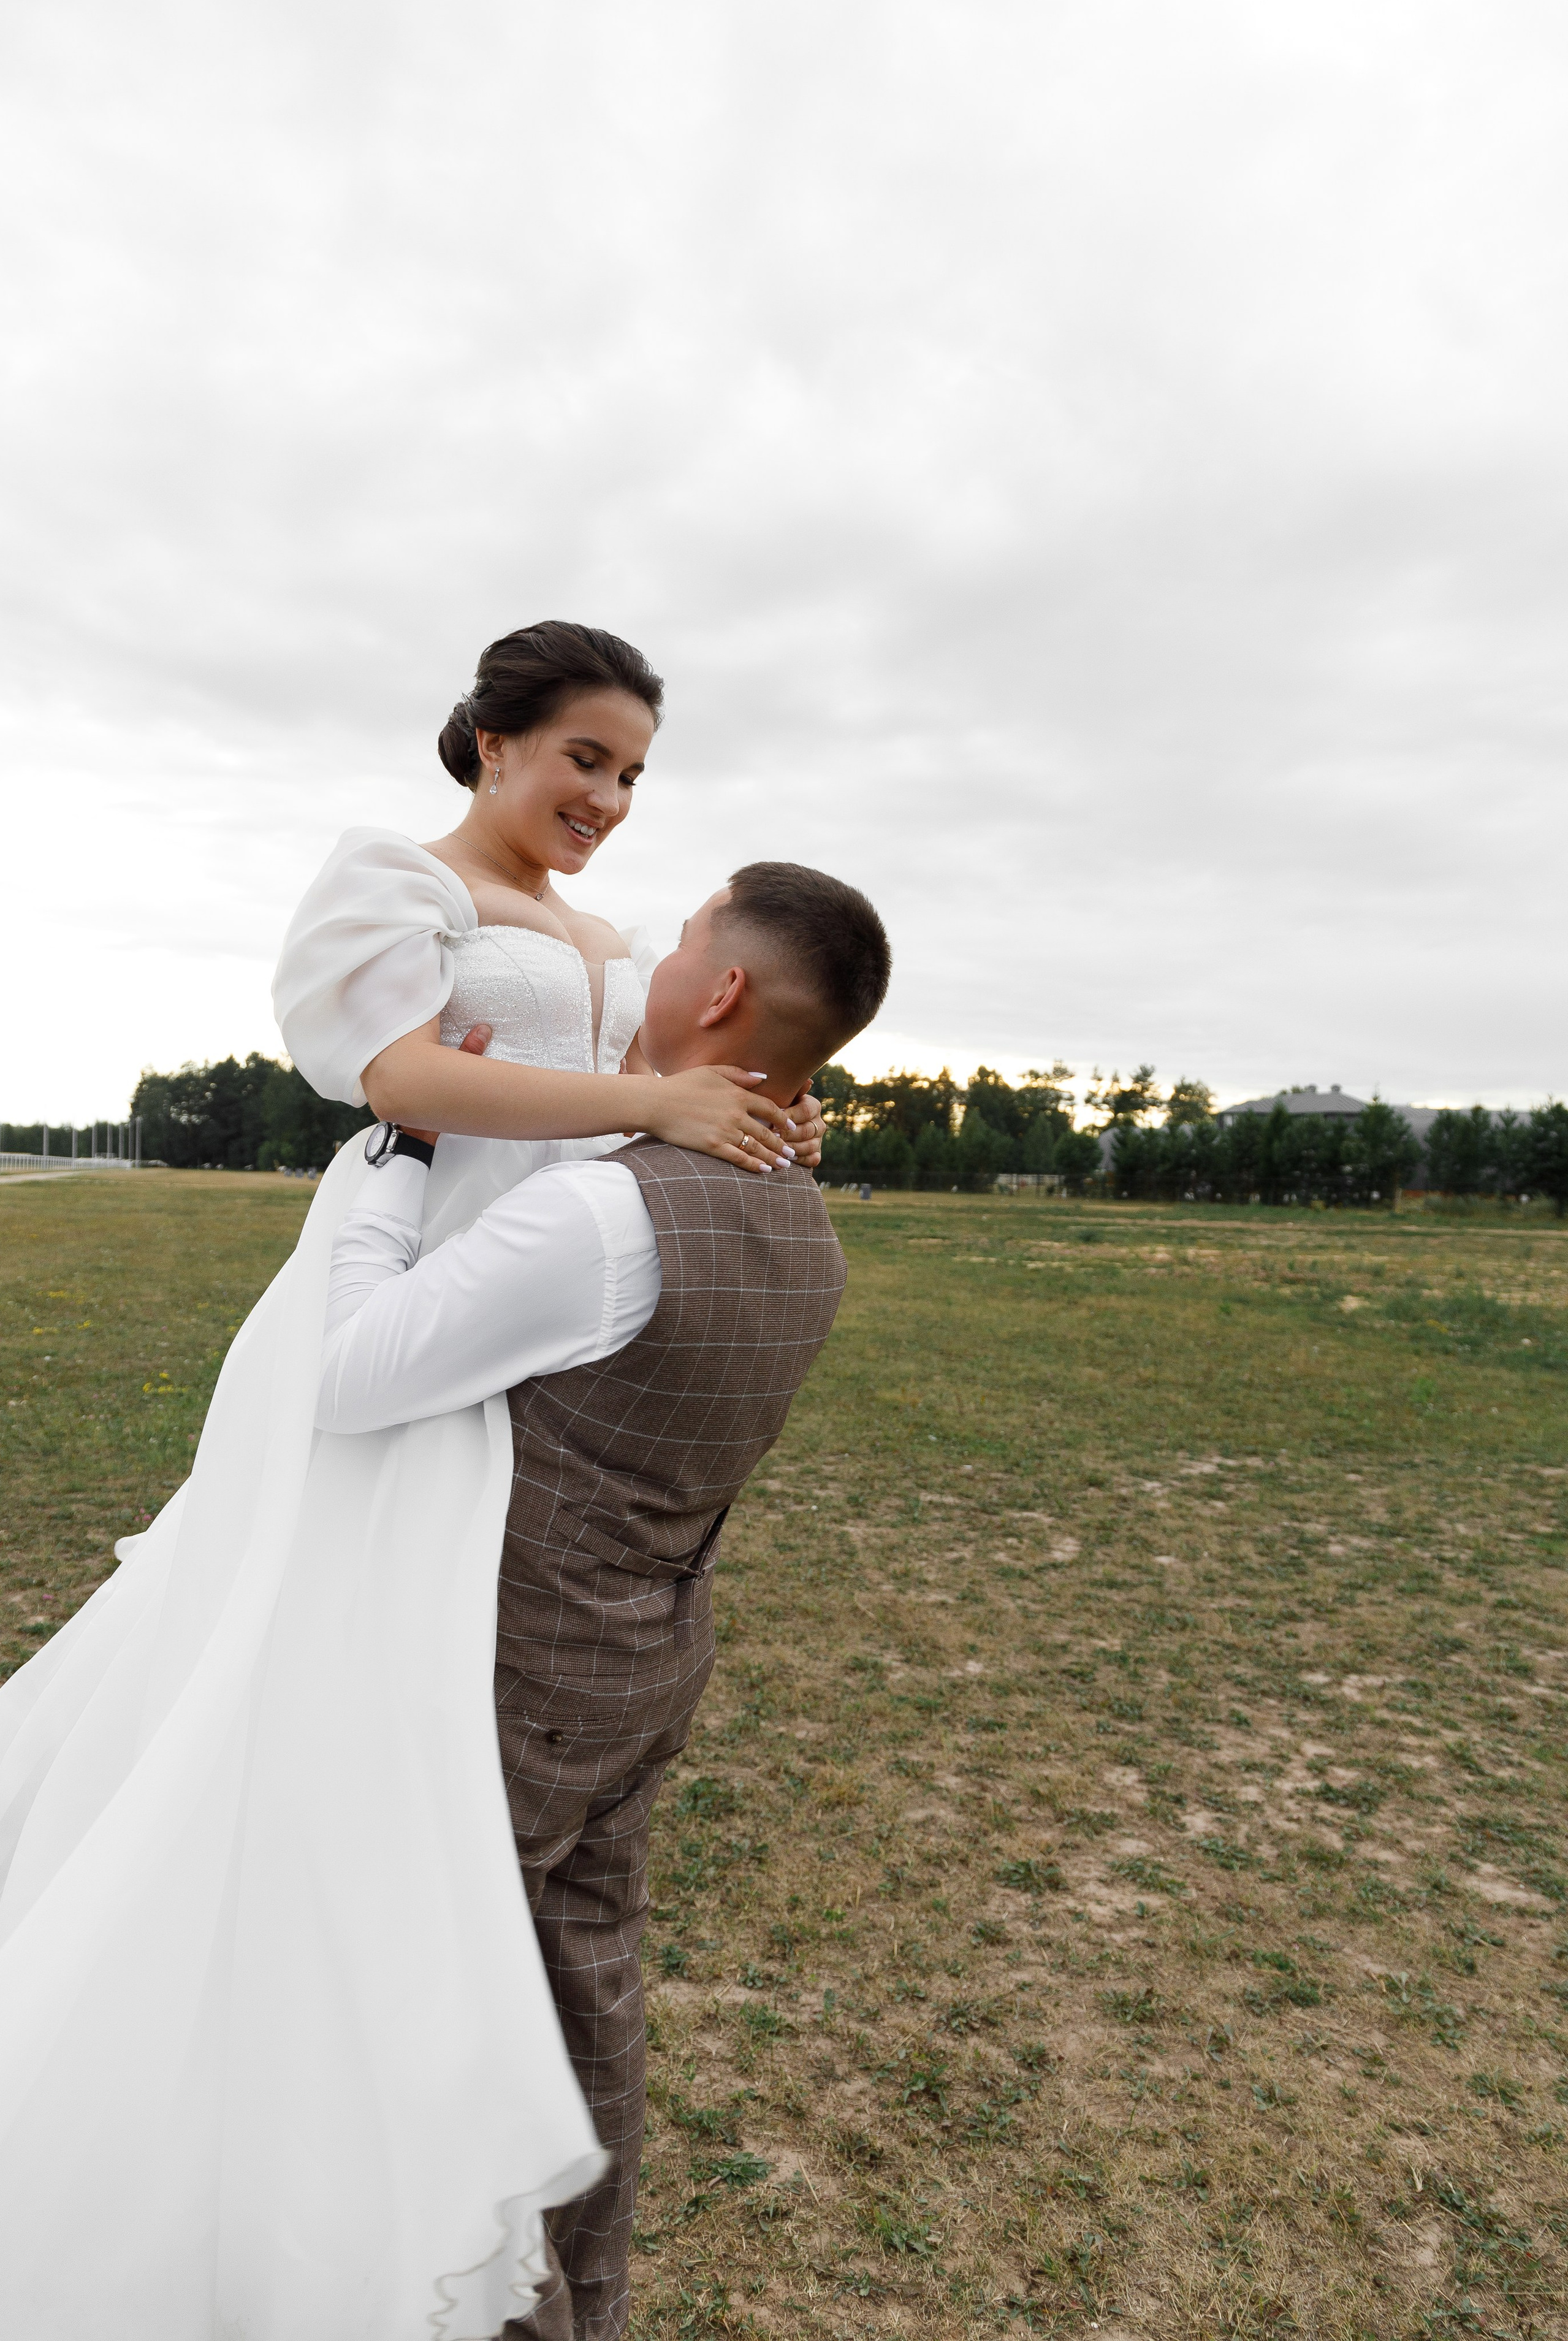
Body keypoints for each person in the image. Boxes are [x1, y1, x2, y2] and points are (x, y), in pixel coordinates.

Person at [0, 622, 826, 2340]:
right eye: (583, 757)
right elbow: (397, 1083)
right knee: (281, 1671)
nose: (606, 798)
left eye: (633, 774)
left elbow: (620, 1124)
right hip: (385, 1293)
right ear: (491, 741)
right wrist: (655, 1106)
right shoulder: (398, 880)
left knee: (398, 1712)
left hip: (506, 1347)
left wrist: (737, 1115)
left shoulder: (607, 944)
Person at [315, 863, 892, 2339]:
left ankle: (458, 2305)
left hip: (512, 1683)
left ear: (717, 996)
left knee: (446, 2030)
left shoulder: (600, 1219)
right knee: (583, 2008)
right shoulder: (799, 1221)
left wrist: (396, 1155)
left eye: (685, 934)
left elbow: (356, 1372)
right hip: (646, 1667)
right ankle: (583, 2303)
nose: (655, 943)